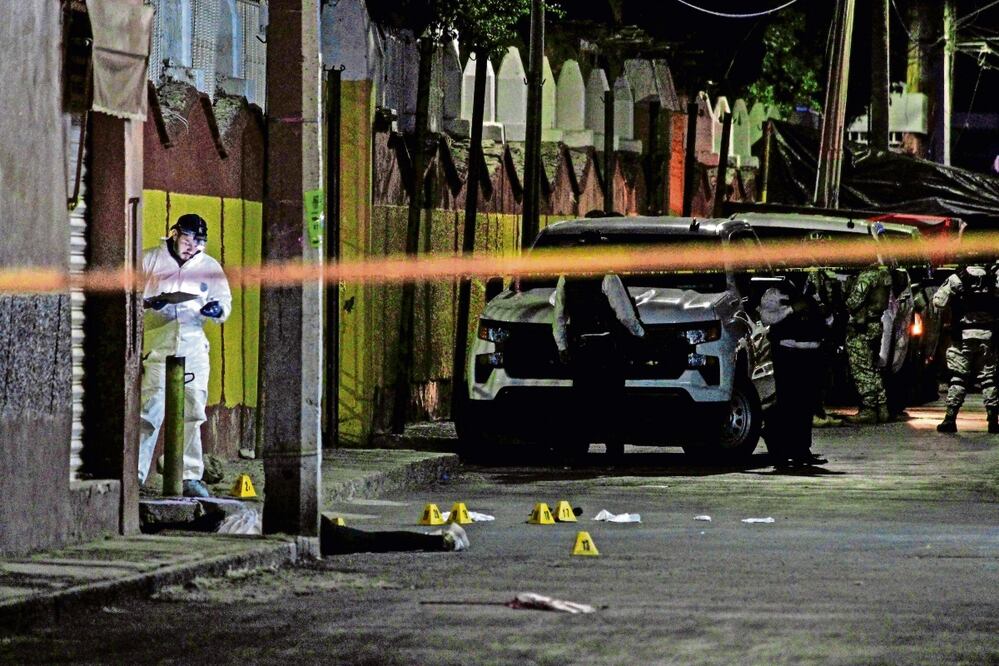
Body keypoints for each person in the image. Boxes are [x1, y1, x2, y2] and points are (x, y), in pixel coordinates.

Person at [139, 214, 232, 497]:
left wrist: (217, 310)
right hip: (158, 344)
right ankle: (136, 475)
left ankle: (189, 475)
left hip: (193, 346)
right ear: (175, 234)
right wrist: (149, 304)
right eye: (188, 240)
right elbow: (128, 297)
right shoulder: (149, 260)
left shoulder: (209, 266)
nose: (193, 247)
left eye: (199, 242)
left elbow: (224, 301)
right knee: (149, 411)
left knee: (193, 411)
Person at [552, 272, 645, 458]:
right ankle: (613, 452)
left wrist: (562, 346)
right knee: (612, 401)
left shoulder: (566, 278)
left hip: (582, 348)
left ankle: (579, 451)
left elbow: (559, 316)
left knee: (582, 402)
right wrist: (640, 333)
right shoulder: (608, 277)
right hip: (607, 347)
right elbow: (624, 314)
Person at [760, 276, 829, 468]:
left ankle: (801, 450)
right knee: (788, 403)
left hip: (812, 352)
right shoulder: (775, 291)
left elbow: (826, 318)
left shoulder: (813, 289)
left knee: (806, 405)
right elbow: (766, 318)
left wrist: (824, 312)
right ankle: (780, 450)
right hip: (788, 353)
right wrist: (791, 309)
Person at [932, 261, 999, 434]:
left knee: (959, 377)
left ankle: (950, 418)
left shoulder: (957, 278)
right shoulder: (994, 278)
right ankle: (993, 419)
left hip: (963, 337)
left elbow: (938, 302)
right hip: (988, 336)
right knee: (988, 378)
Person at [842, 261, 893, 424]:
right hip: (876, 324)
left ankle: (869, 409)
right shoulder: (884, 274)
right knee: (873, 367)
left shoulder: (866, 276)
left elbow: (854, 301)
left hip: (863, 328)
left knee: (861, 368)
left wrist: (845, 292)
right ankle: (882, 407)